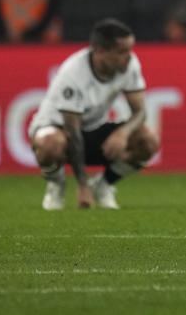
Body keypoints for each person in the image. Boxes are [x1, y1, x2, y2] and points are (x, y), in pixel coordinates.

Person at [28, 18, 159, 210]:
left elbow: (140, 112)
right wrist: (82, 185)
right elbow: (72, 132)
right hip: (58, 129)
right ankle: (56, 184)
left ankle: (103, 185)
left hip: (93, 128)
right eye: (122, 51)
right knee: (51, 144)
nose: (129, 57)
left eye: (130, 49)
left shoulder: (129, 65)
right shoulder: (73, 74)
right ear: (100, 51)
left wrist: (123, 133)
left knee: (148, 140)